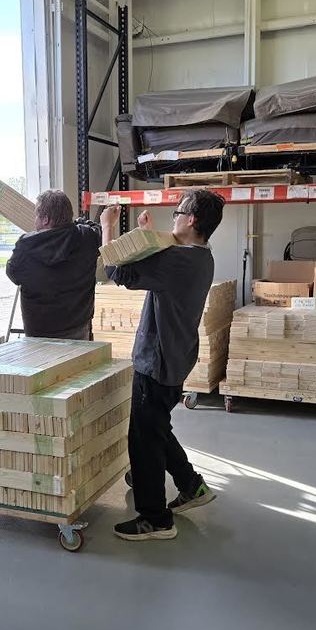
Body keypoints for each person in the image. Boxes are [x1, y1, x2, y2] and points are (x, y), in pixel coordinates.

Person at [101, 189, 225, 541]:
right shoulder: (200, 256)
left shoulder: (179, 260)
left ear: (192, 220)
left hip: (157, 361)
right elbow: (160, 264)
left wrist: (105, 227)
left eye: (177, 212)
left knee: (143, 439)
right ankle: (191, 486)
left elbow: (116, 270)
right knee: (157, 426)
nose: (174, 217)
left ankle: (155, 518)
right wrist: (148, 236)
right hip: (177, 357)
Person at [6, 190, 101, 340]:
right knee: (79, 363)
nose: (34, 220)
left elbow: (13, 274)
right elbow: (96, 227)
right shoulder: (86, 238)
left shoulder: (26, 245)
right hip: (78, 326)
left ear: (45, 220)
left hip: (39, 330)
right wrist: (73, 223)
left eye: (36, 215)